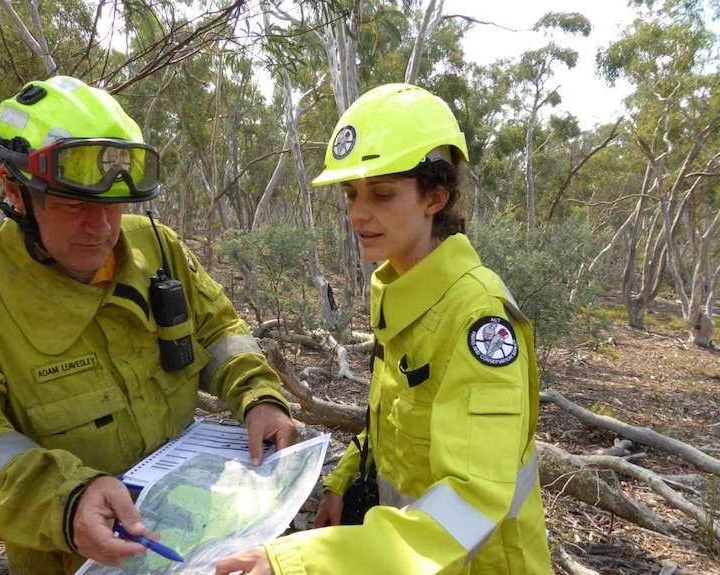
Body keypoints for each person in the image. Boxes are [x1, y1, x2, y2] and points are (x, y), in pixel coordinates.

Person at [0, 75, 297, 575]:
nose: (102, 228)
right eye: (74, 205)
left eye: (113, 206)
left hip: (199, 535)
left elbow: (219, 329)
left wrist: (258, 394)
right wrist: (67, 502)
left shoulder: (158, 249)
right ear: (17, 195)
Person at [215, 83, 551, 574]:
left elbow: (471, 498)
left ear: (435, 197)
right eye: (351, 194)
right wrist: (346, 478)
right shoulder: (402, 290)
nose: (358, 213)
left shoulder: (478, 319)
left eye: (383, 194)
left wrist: (302, 564)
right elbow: (393, 423)